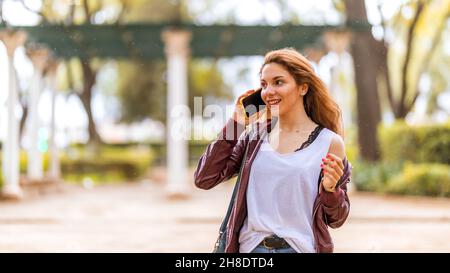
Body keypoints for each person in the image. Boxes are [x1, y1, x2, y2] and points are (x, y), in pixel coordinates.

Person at [194, 48, 352, 253]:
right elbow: (204, 177)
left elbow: (337, 219)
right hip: (250, 250)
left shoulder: (330, 142)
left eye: (278, 82)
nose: (268, 91)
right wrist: (237, 123)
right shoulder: (253, 138)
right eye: (264, 84)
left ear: (303, 87)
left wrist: (331, 191)